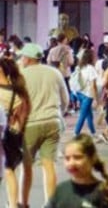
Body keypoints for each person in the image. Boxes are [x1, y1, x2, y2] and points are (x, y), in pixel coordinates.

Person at [18, 41, 68, 208]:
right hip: (53, 121)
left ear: (28, 58)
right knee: (49, 165)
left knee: (26, 167)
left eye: (23, 57)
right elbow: (65, 100)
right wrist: (59, 112)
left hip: (30, 124)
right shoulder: (54, 73)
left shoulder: (21, 76)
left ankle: (23, 202)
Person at [45, 135, 108, 208]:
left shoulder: (103, 193)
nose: (71, 163)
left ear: (92, 158)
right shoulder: (61, 191)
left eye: (77, 157)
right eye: (67, 158)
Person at [0, 57, 30, 208]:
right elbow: (21, 120)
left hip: (3, 138)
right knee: (8, 171)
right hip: (11, 137)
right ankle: (12, 205)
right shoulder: (17, 94)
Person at [69, 50, 101, 139]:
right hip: (88, 94)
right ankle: (76, 132)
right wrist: (96, 99)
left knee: (88, 114)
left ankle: (93, 132)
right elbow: (93, 85)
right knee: (83, 114)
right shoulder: (90, 68)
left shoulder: (79, 67)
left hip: (79, 93)